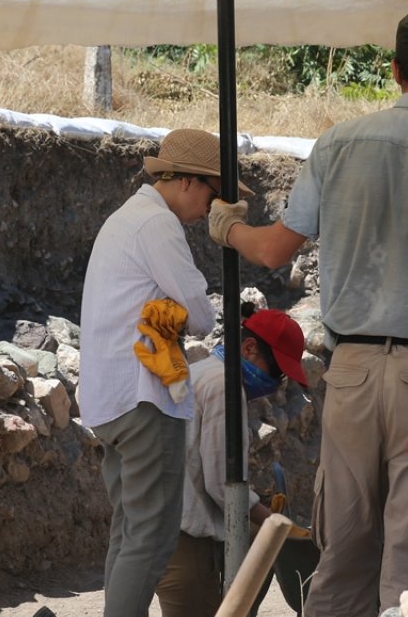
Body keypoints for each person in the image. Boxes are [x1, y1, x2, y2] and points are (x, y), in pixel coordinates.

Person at [207, 5, 408, 616]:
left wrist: (227, 228)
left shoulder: (336, 145)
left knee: (344, 560)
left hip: (352, 371)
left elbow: (276, 247)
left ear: (394, 69)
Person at [79, 128, 251, 617]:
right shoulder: (158, 224)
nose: (210, 211)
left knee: (129, 534)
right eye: (215, 196)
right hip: (144, 399)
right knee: (152, 542)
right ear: (190, 183)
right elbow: (200, 314)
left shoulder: (126, 218)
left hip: (111, 401)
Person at [155, 306, 310, 616]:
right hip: (186, 543)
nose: (276, 381)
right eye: (276, 370)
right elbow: (223, 486)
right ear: (250, 348)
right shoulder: (225, 388)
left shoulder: (200, 372)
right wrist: (279, 525)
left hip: (163, 525)